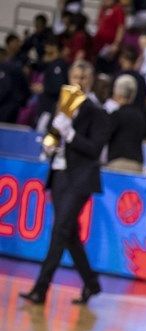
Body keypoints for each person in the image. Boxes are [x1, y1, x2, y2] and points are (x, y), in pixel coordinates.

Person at [20, 60, 108, 307]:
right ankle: (91, 283)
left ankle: (41, 289)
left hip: (80, 177)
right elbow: (52, 139)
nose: (79, 82)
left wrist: (70, 134)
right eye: (75, 77)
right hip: (59, 173)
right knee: (68, 234)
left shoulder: (96, 111)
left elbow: (94, 149)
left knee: (60, 231)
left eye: (84, 78)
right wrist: (50, 143)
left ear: (90, 80)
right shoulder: (61, 106)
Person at [106, 74, 146, 172]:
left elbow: (106, 135)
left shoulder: (117, 114)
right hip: (137, 163)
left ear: (117, 93)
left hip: (118, 162)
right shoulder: (140, 116)